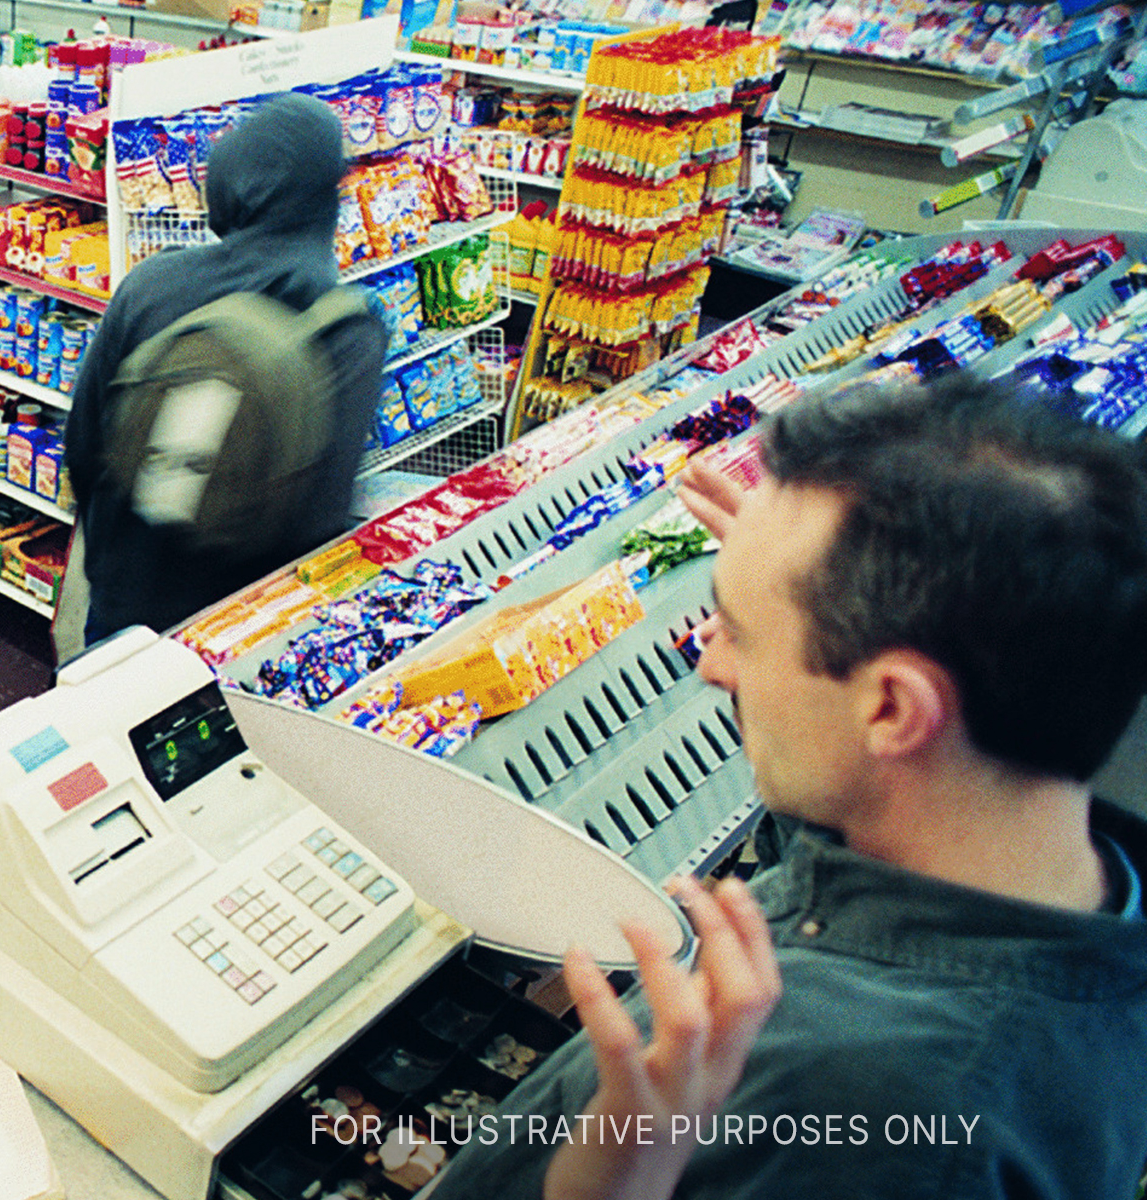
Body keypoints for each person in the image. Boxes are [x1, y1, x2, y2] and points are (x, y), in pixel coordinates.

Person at [430, 376, 1147, 1200]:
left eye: (737, 635)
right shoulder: (1052, 865)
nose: (710, 663)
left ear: (889, 707)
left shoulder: (873, 1124)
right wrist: (787, 607)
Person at [62, 92, 386, 642]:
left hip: (127, 608)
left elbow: (84, 447)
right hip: (242, 630)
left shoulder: (151, 285)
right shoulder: (350, 327)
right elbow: (320, 518)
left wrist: (118, 562)